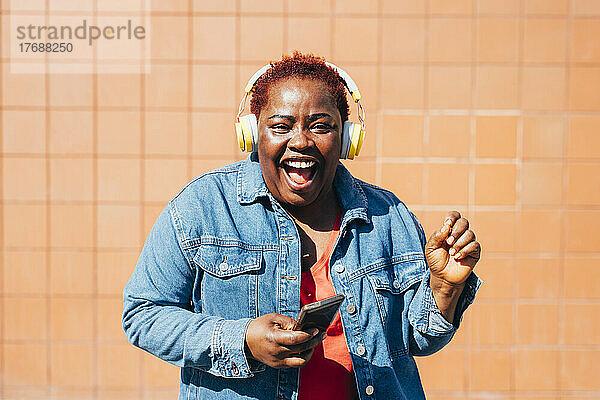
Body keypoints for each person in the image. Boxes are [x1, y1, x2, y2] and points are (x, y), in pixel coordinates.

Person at [122, 52, 482, 400]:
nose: (301, 141)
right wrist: (242, 340)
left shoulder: (388, 216)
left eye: (321, 126)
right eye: (281, 126)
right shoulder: (203, 206)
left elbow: (419, 339)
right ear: (252, 133)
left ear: (346, 139)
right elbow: (143, 315)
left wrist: (445, 287)